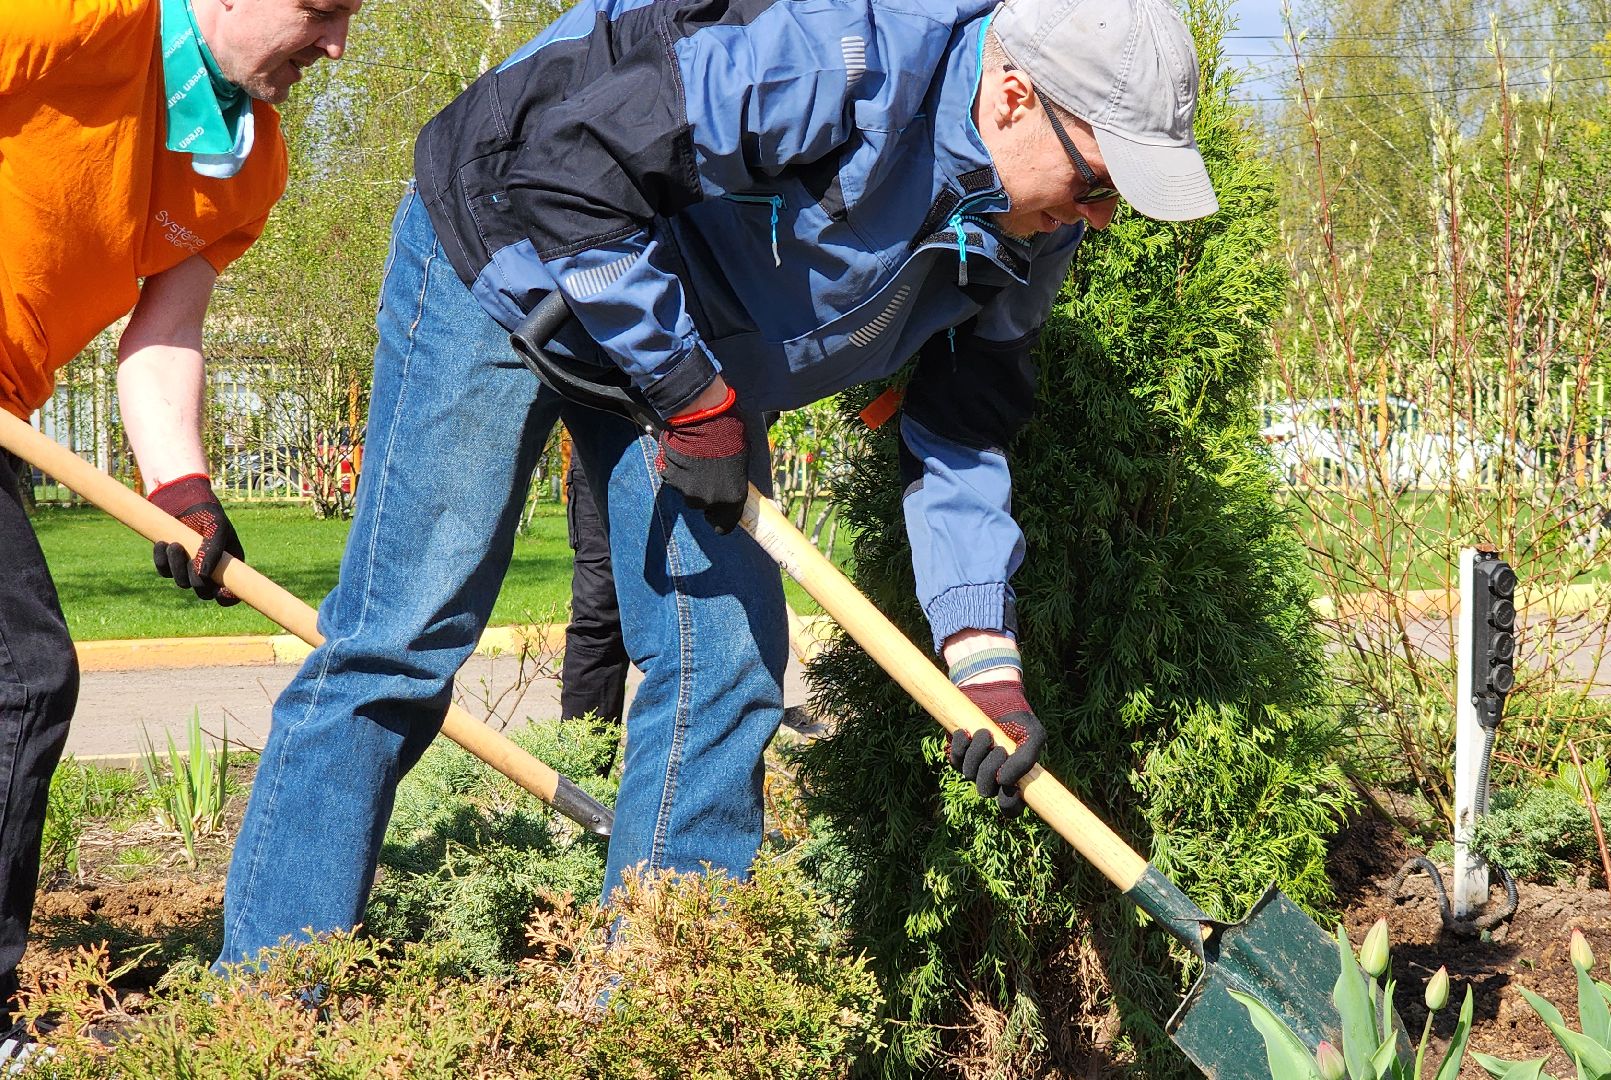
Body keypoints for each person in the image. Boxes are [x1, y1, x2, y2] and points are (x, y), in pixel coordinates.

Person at [217, 0, 1217, 967]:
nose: (1100, 217)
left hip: (679, 337)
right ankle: (264, 1009)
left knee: (726, 669)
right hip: (512, 242)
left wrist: (982, 660)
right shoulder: (837, 50)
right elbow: (572, 171)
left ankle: (651, 1008)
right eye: (1096, 182)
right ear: (1011, 95)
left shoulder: (1034, 228)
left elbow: (959, 427)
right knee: (400, 640)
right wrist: (693, 400)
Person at [0, 0, 359, 1032]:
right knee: (20, 677)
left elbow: (163, 334)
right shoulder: (80, 20)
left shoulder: (250, 165)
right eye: (321, 9)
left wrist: (181, 489)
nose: (335, 45)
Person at [559, 436, 631, 772]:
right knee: (599, 620)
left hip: (709, 434)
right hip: (605, 439)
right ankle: (584, 784)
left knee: (703, 621)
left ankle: (688, 808)